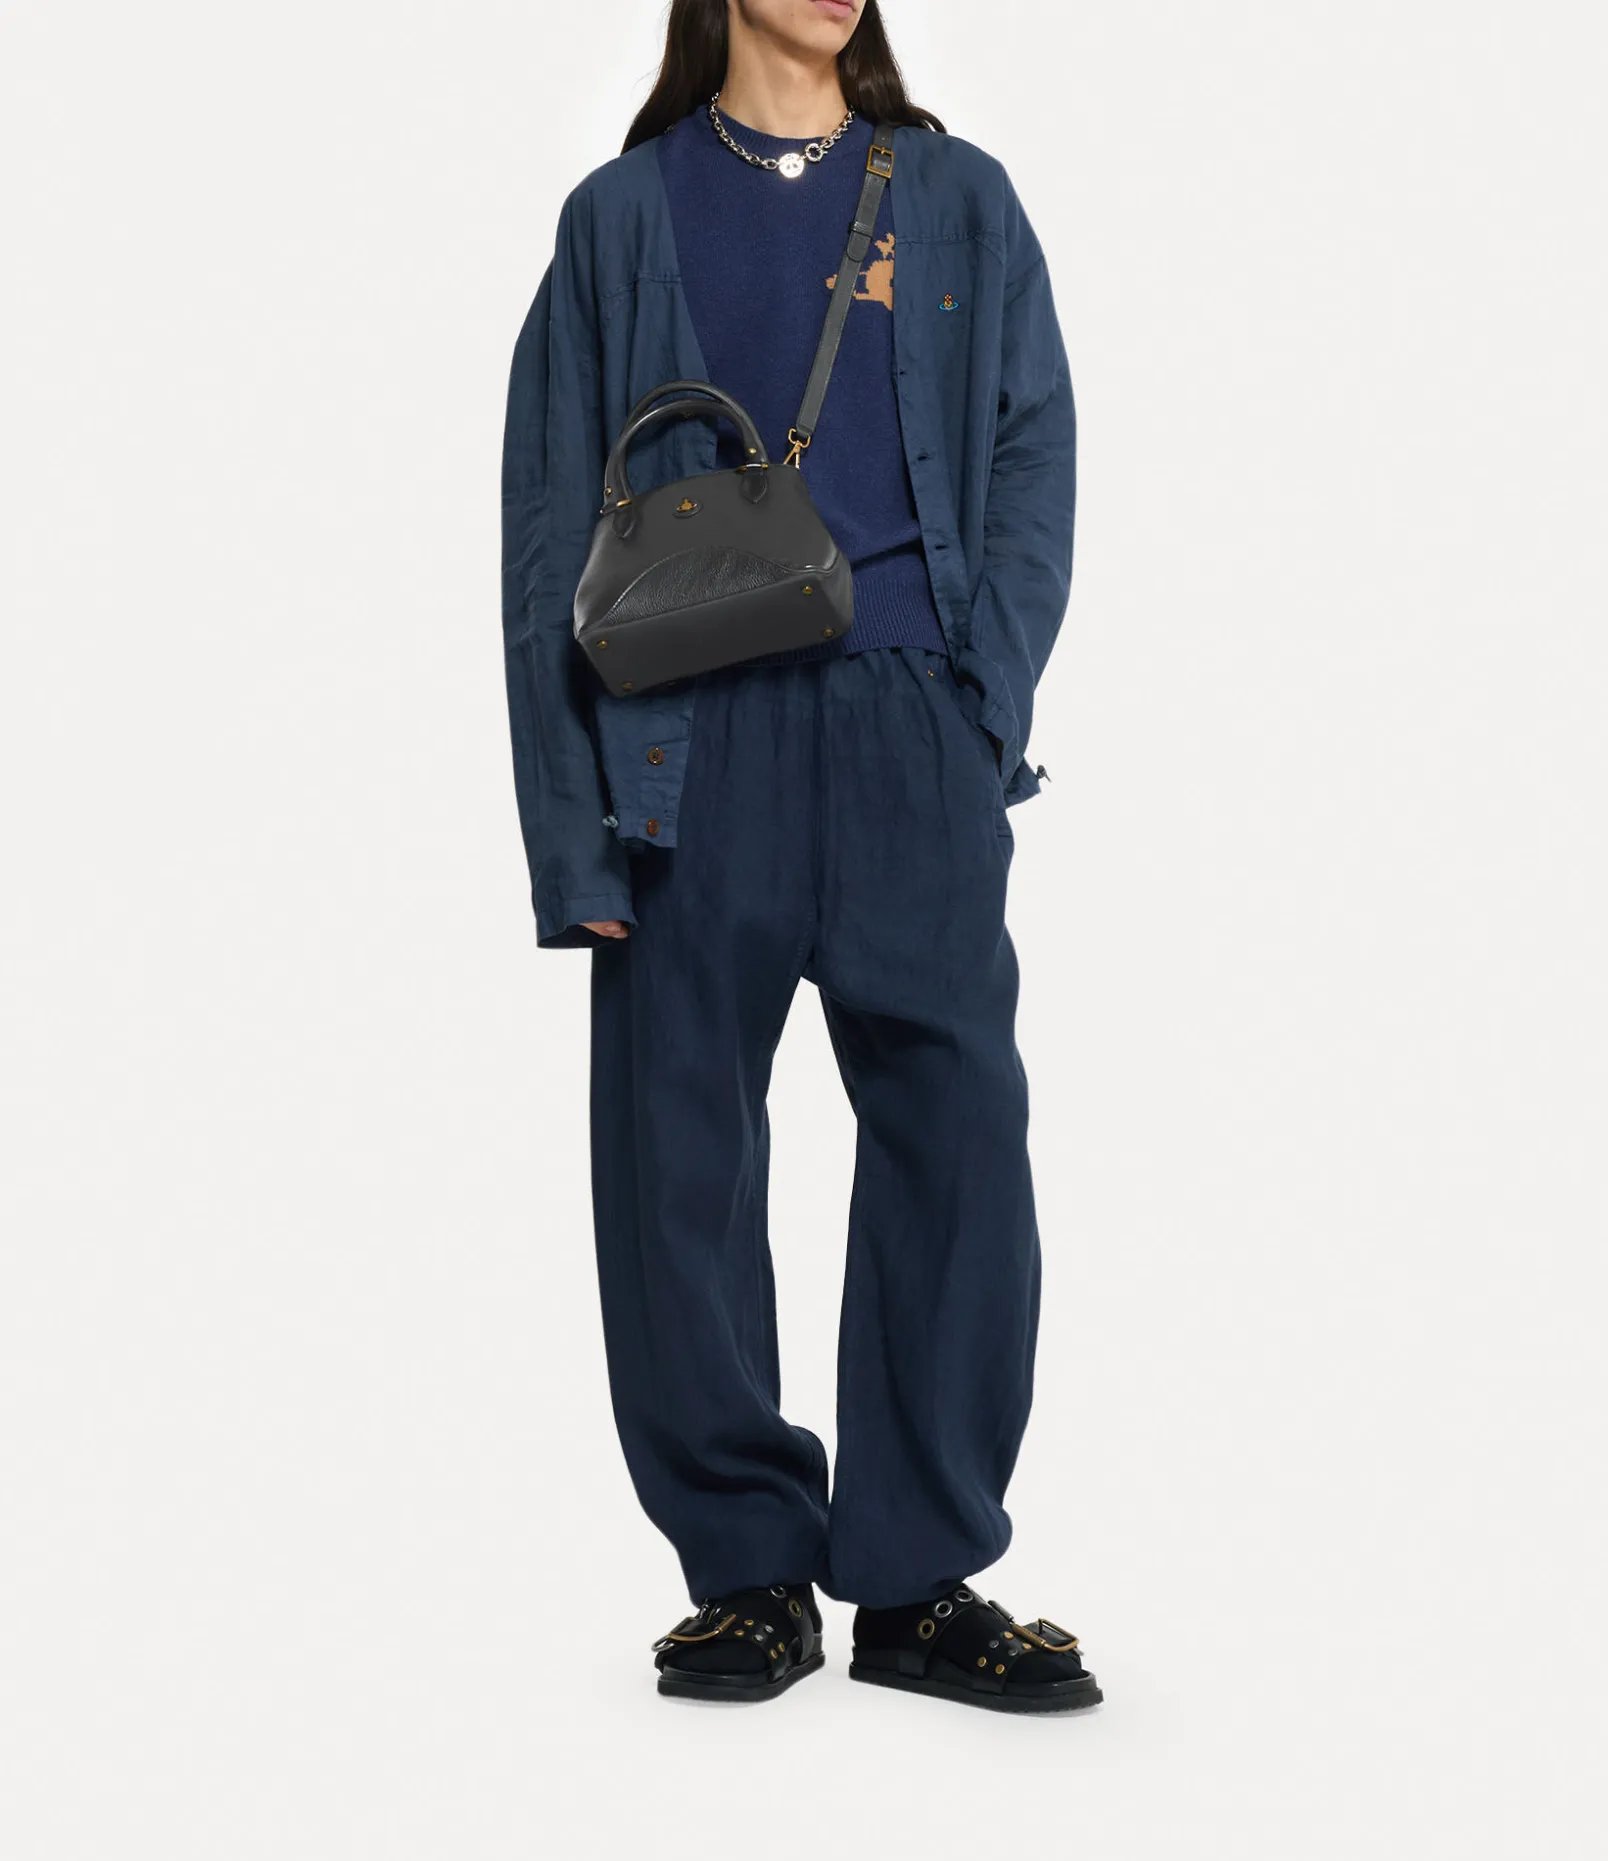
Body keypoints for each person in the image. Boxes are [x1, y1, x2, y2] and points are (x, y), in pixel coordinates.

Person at [500, 0, 1099, 1714]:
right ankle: (748, 1571)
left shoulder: (958, 196)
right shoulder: (620, 218)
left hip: (913, 725)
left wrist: (983, 705)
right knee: (676, 1151)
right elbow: (548, 531)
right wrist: (574, 842)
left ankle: (917, 1581)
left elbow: (1032, 451)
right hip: (685, 744)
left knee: (958, 1134)